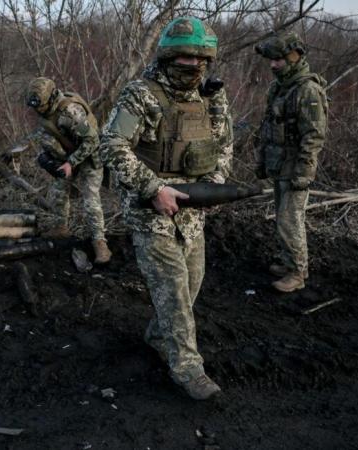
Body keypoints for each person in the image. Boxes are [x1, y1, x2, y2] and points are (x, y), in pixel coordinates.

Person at [99, 17, 233, 400]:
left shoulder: (212, 96)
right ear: (168, 56)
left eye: (199, 59)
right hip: (150, 209)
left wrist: (216, 187)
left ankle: (159, 335)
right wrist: (154, 187)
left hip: (193, 210)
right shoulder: (140, 94)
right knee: (173, 293)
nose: (192, 66)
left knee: (191, 285)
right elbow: (111, 146)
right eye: (184, 59)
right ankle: (188, 369)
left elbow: (224, 145)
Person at [254, 30, 328, 293]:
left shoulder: (307, 90)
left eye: (279, 60)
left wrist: (304, 172)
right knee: (282, 218)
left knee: (289, 220)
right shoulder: (279, 87)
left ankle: (297, 273)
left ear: (294, 57)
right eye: (271, 60)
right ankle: (289, 263)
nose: (273, 65)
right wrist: (262, 160)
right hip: (279, 164)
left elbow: (314, 135)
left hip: (295, 167)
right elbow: (268, 127)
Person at [25, 77, 112, 264]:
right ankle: (61, 227)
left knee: (91, 199)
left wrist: (71, 163)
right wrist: (46, 157)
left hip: (89, 156)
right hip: (67, 155)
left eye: (40, 106)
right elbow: (49, 135)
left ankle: (99, 242)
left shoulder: (71, 111)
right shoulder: (45, 111)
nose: (37, 111)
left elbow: (92, 140)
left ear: (51, 97)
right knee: (58, 191)